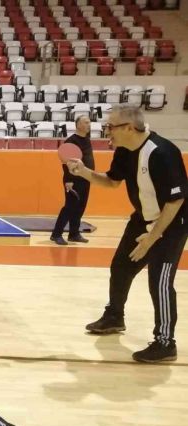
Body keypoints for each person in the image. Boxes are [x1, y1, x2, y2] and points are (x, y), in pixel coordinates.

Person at [67, 104, 188, 363]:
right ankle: (114, 317)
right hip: (142, 219)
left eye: (111, 126)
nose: (107, 130)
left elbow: (175, 201)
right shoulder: (123, 150)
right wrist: (84, 172)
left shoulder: (163, 152)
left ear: (130, 128)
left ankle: (165, 342)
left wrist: (152, 238)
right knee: (121, 266)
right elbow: (112, 182)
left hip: (172, 224)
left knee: (159, 281)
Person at [50, 115, 94, 245]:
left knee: (80, 206)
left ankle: (74, 234)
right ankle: (56, 234)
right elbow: (66, 163)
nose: (89, 125)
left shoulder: (87, 139)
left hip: (86, 178)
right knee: (70, 207)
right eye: (86, 122)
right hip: (73, 180)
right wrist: (69, 180)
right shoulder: (71, 141)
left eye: (89, 122)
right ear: (78, 125)